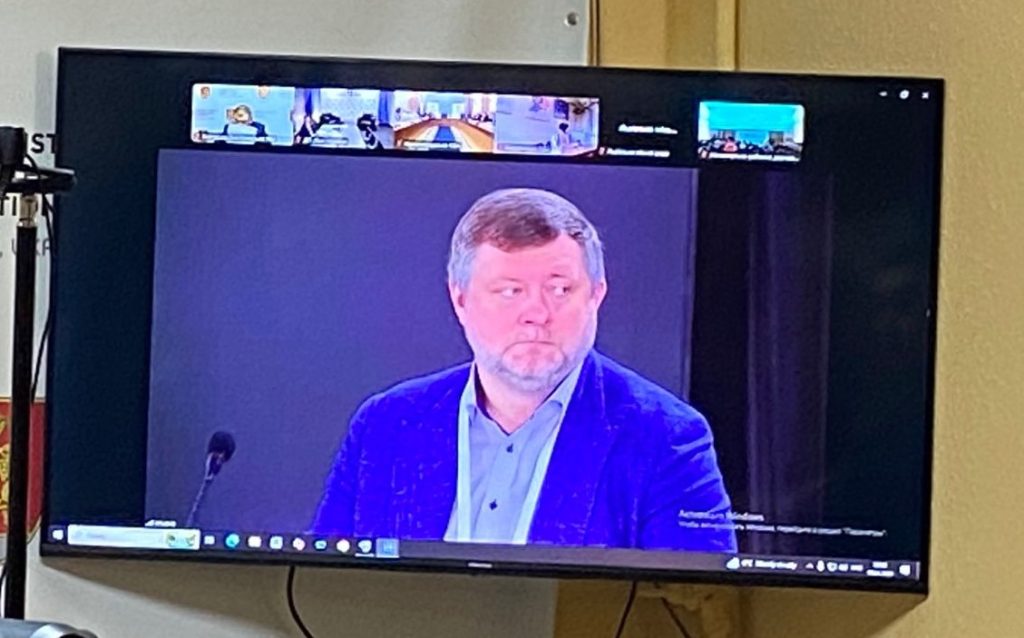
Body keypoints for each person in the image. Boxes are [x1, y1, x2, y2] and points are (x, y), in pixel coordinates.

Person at [312, 188, 736, 552]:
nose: (537, 313)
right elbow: (321, 586)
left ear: (596, 295)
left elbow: (696, 606)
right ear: (460, 300)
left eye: (560, 289)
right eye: (510, 291)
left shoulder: (666, 438)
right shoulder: (386, 425)